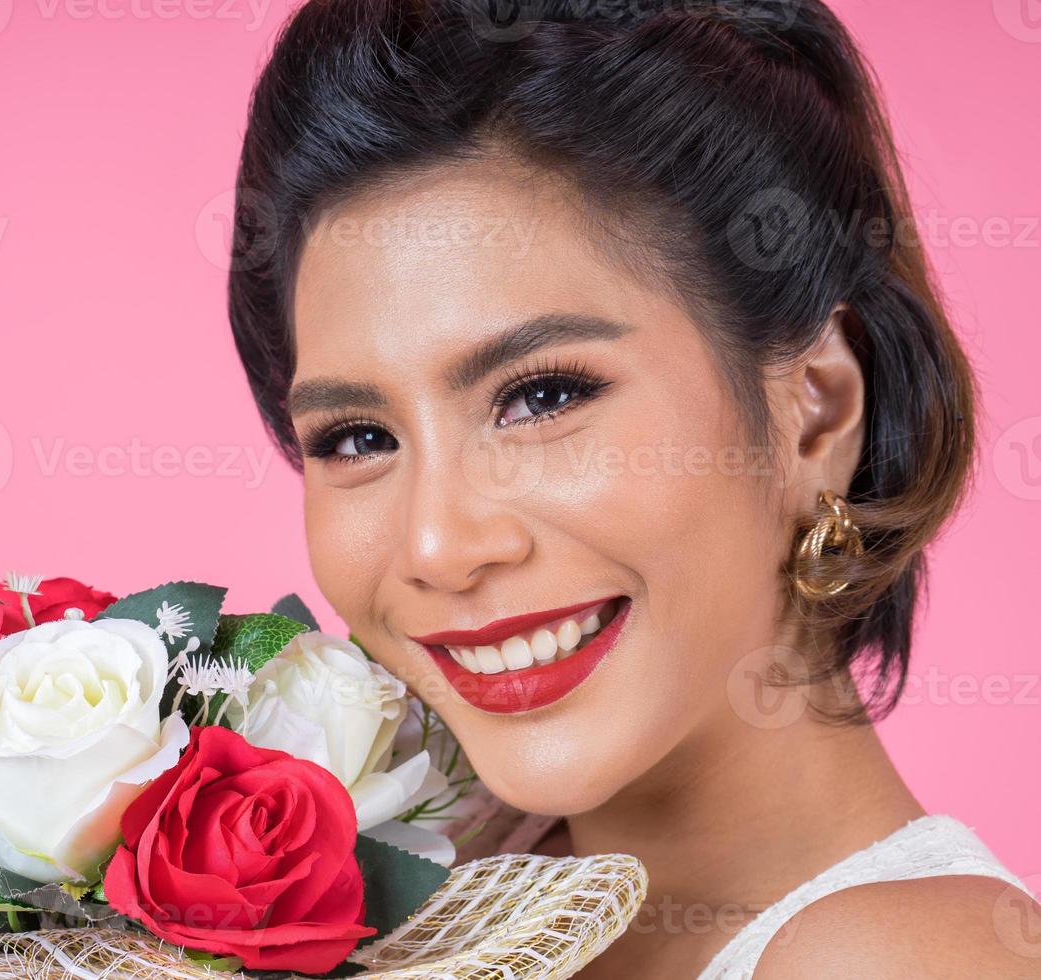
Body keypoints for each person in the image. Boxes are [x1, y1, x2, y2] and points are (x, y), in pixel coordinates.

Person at [225, 1, 1041, 975]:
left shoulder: (900, 957)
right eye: (359, 436)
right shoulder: (432, 879)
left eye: (543, 394)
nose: (437, 542)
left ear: (814, 411)